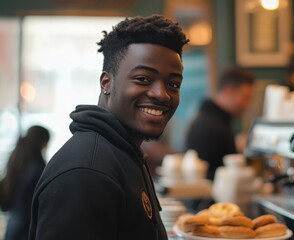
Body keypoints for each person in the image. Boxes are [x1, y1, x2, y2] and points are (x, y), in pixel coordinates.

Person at [28, 15, 189, 240]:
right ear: (106, 82)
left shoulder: (124, 153)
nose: (161, 94)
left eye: (173, 84)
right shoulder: (86, 173)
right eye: (143, 79)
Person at [185, 66, 255, 181]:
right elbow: (211, 176)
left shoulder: (211, 119)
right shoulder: (213, 126)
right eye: (245, 97)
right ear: (228, 91)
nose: (247, 105)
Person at [0, 125, 50, 240]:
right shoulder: (38, 168)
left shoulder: (17, 162)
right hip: (27, 227)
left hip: (13, 223)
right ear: (41, 142)